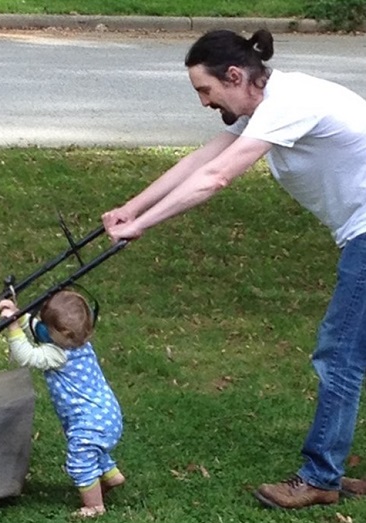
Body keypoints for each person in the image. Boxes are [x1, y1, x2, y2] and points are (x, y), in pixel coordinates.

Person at [102, 28, 366, 510]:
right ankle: (327, 470)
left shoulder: (291, 100)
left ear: (235, 75)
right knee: (350, 353)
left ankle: (321, 476)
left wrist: (144, 225)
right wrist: (130, 208)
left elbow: (218, 177)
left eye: (205, 90)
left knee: (340, 355)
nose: (204, 102)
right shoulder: (272, 101)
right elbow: (204, 157)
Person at [0, 289, 125, 518]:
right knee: (92, 449)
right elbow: (40, 330)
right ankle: (111, 476)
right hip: (106, 415)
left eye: (50, 328)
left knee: (79, 459)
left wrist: (13, 328)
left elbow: (25, 356)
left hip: (91, 421)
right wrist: (18, 315)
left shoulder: (58, 355)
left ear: (64, 334)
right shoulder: (78, 343)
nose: (43, 329)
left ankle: (94, 506)